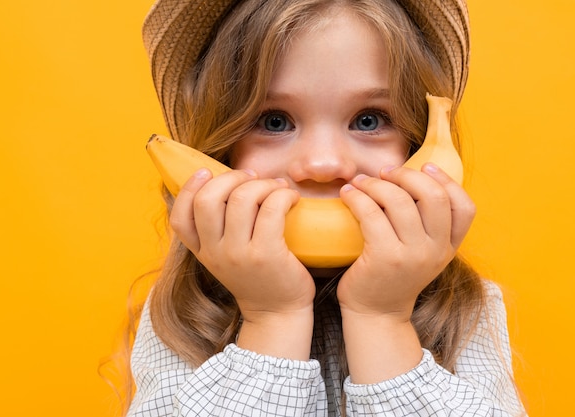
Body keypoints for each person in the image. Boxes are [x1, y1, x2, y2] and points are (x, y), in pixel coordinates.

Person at [125, 0, 526, 415]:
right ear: (219, 153)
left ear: (420, 143)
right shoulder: (183, 310)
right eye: (274, 121)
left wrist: (383, 318)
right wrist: (271, 318)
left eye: (369, 120)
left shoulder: (464, 306)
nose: (323, 164)